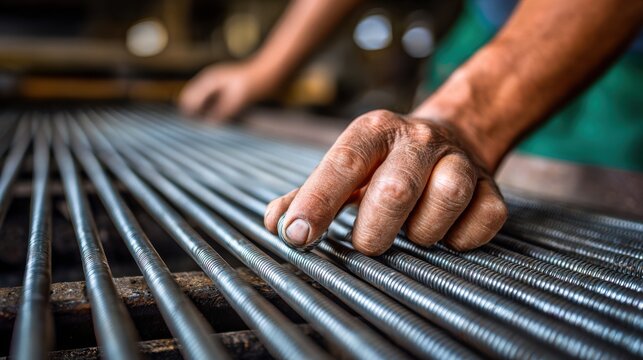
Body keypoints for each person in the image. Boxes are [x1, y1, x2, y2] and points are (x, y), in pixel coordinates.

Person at [179, 0, 643, 255]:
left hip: (615, 52)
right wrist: (269, 68)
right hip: (485, 28)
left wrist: (466, 117)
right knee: (425, 199)